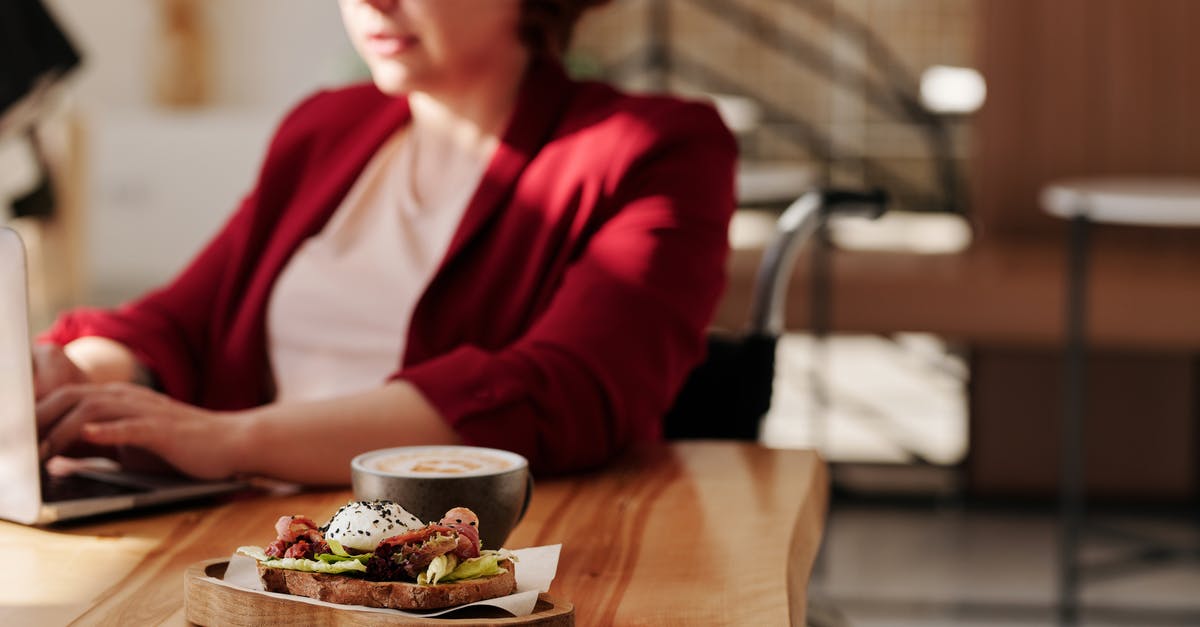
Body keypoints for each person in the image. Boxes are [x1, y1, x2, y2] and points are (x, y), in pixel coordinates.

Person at [33, 0, 736, 484]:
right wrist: (77, 379)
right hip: (265, 550)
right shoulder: (326, 127)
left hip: (493, 568)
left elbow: (564, 392)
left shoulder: (658, 148)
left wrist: (233, 441)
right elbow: (183, 319)